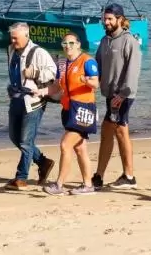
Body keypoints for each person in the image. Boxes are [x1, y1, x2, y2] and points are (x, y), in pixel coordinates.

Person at [38, 34, 100, 195]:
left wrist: (86, 80)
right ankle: (88, 185)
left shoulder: (87, 60)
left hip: (83, 108)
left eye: (71, 43)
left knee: (66, 145)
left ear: (78, 44)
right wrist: (41, 92)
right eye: (65, 43)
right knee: (80, 148)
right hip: (67, 108)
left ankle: (59, 185)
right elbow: (57, 87)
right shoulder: (63, 63)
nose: (68, 46)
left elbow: (96, 83)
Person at [91, 3, 141, 190]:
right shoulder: (105, 41)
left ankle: (114, 176)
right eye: (105, 19)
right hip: (110, 95)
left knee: (114, 131)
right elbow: (96, 66)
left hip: (123, 96)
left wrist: (122, 94)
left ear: (120, 19)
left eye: (110, 19)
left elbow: (133, 71)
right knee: (114, 132)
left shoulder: (129, 41)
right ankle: (114, 175)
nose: (107, 22)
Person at [5, 23, 57, 190]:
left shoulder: (39, 52)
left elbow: (53, 72)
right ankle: (43, 162)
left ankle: (21, 178)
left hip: (33, 102)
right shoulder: (11, 49)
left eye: (16, 38)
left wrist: (34, 72)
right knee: (15, 137)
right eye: (11, 37)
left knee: (26, 142)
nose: (13, 41)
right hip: (16, 100)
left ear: (26, 36)